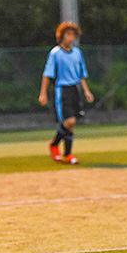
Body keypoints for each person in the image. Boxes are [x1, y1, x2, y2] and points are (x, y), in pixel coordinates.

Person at [38, 22, 95, 164]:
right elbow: (47, 74)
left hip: (75, 89)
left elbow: (82, 75)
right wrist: (43, 93)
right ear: (61, 36)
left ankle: (67, 153)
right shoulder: (55, 53)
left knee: (71, 124)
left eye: (73, 35)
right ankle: (55, 145)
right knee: (69, 121)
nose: (71, 38)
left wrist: (86, 91)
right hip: (62, 90)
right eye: (68, 34)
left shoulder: (77, 53)